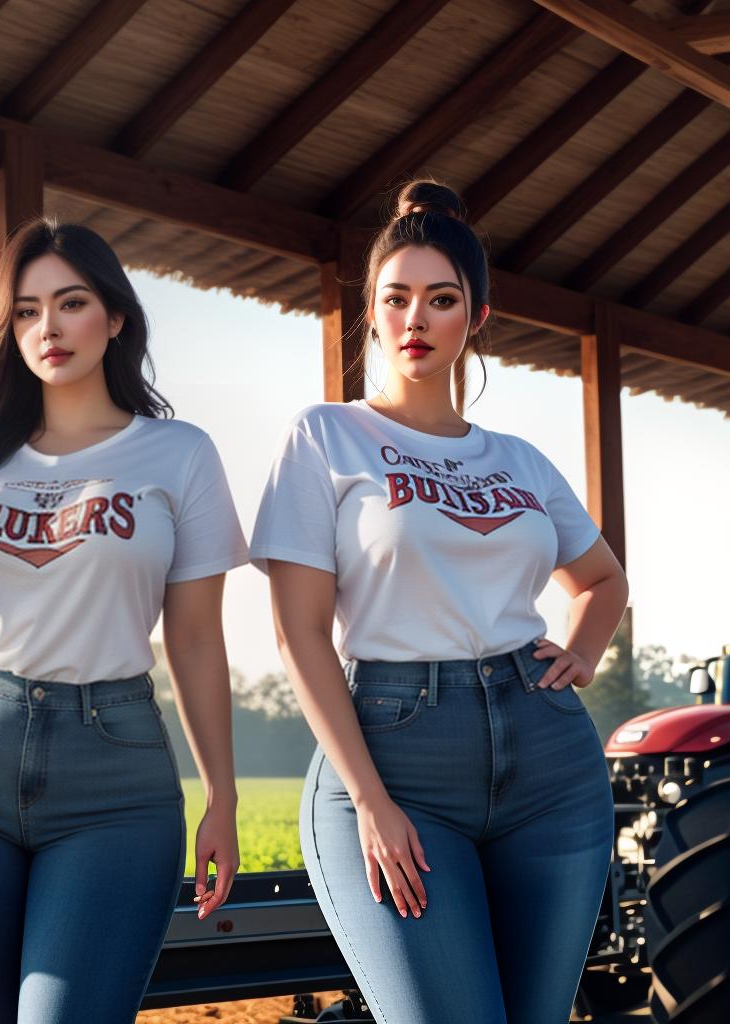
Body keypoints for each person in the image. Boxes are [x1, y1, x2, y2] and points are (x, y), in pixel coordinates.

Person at [0, 220, 246, 1023]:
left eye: (71, 303)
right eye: (26, 311)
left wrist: (223, 797)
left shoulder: (179, 455)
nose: (48, 328)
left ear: (116, 317)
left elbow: (197, 640)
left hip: (114, 776)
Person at [249, 180, 627, 1024]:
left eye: (442, 299)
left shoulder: (520, 460)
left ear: (477, 317)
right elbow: (299, 634)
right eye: (397, 298)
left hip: (550, 761)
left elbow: (604, 580)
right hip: (393, 756)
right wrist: (373, 804)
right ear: (374, 315)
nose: (416, 317)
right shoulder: (327, 436)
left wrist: (583, 651)